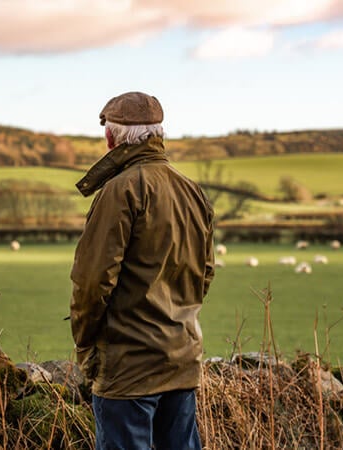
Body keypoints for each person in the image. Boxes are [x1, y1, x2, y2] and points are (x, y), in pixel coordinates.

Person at [70, 91, 215, 450]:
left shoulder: (119, 191)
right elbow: (204, 274)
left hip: (128, 368)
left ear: (110, 138)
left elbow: (92, 284)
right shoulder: (192, 191)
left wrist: (87, 344)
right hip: (181, 360)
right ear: (158, 134)